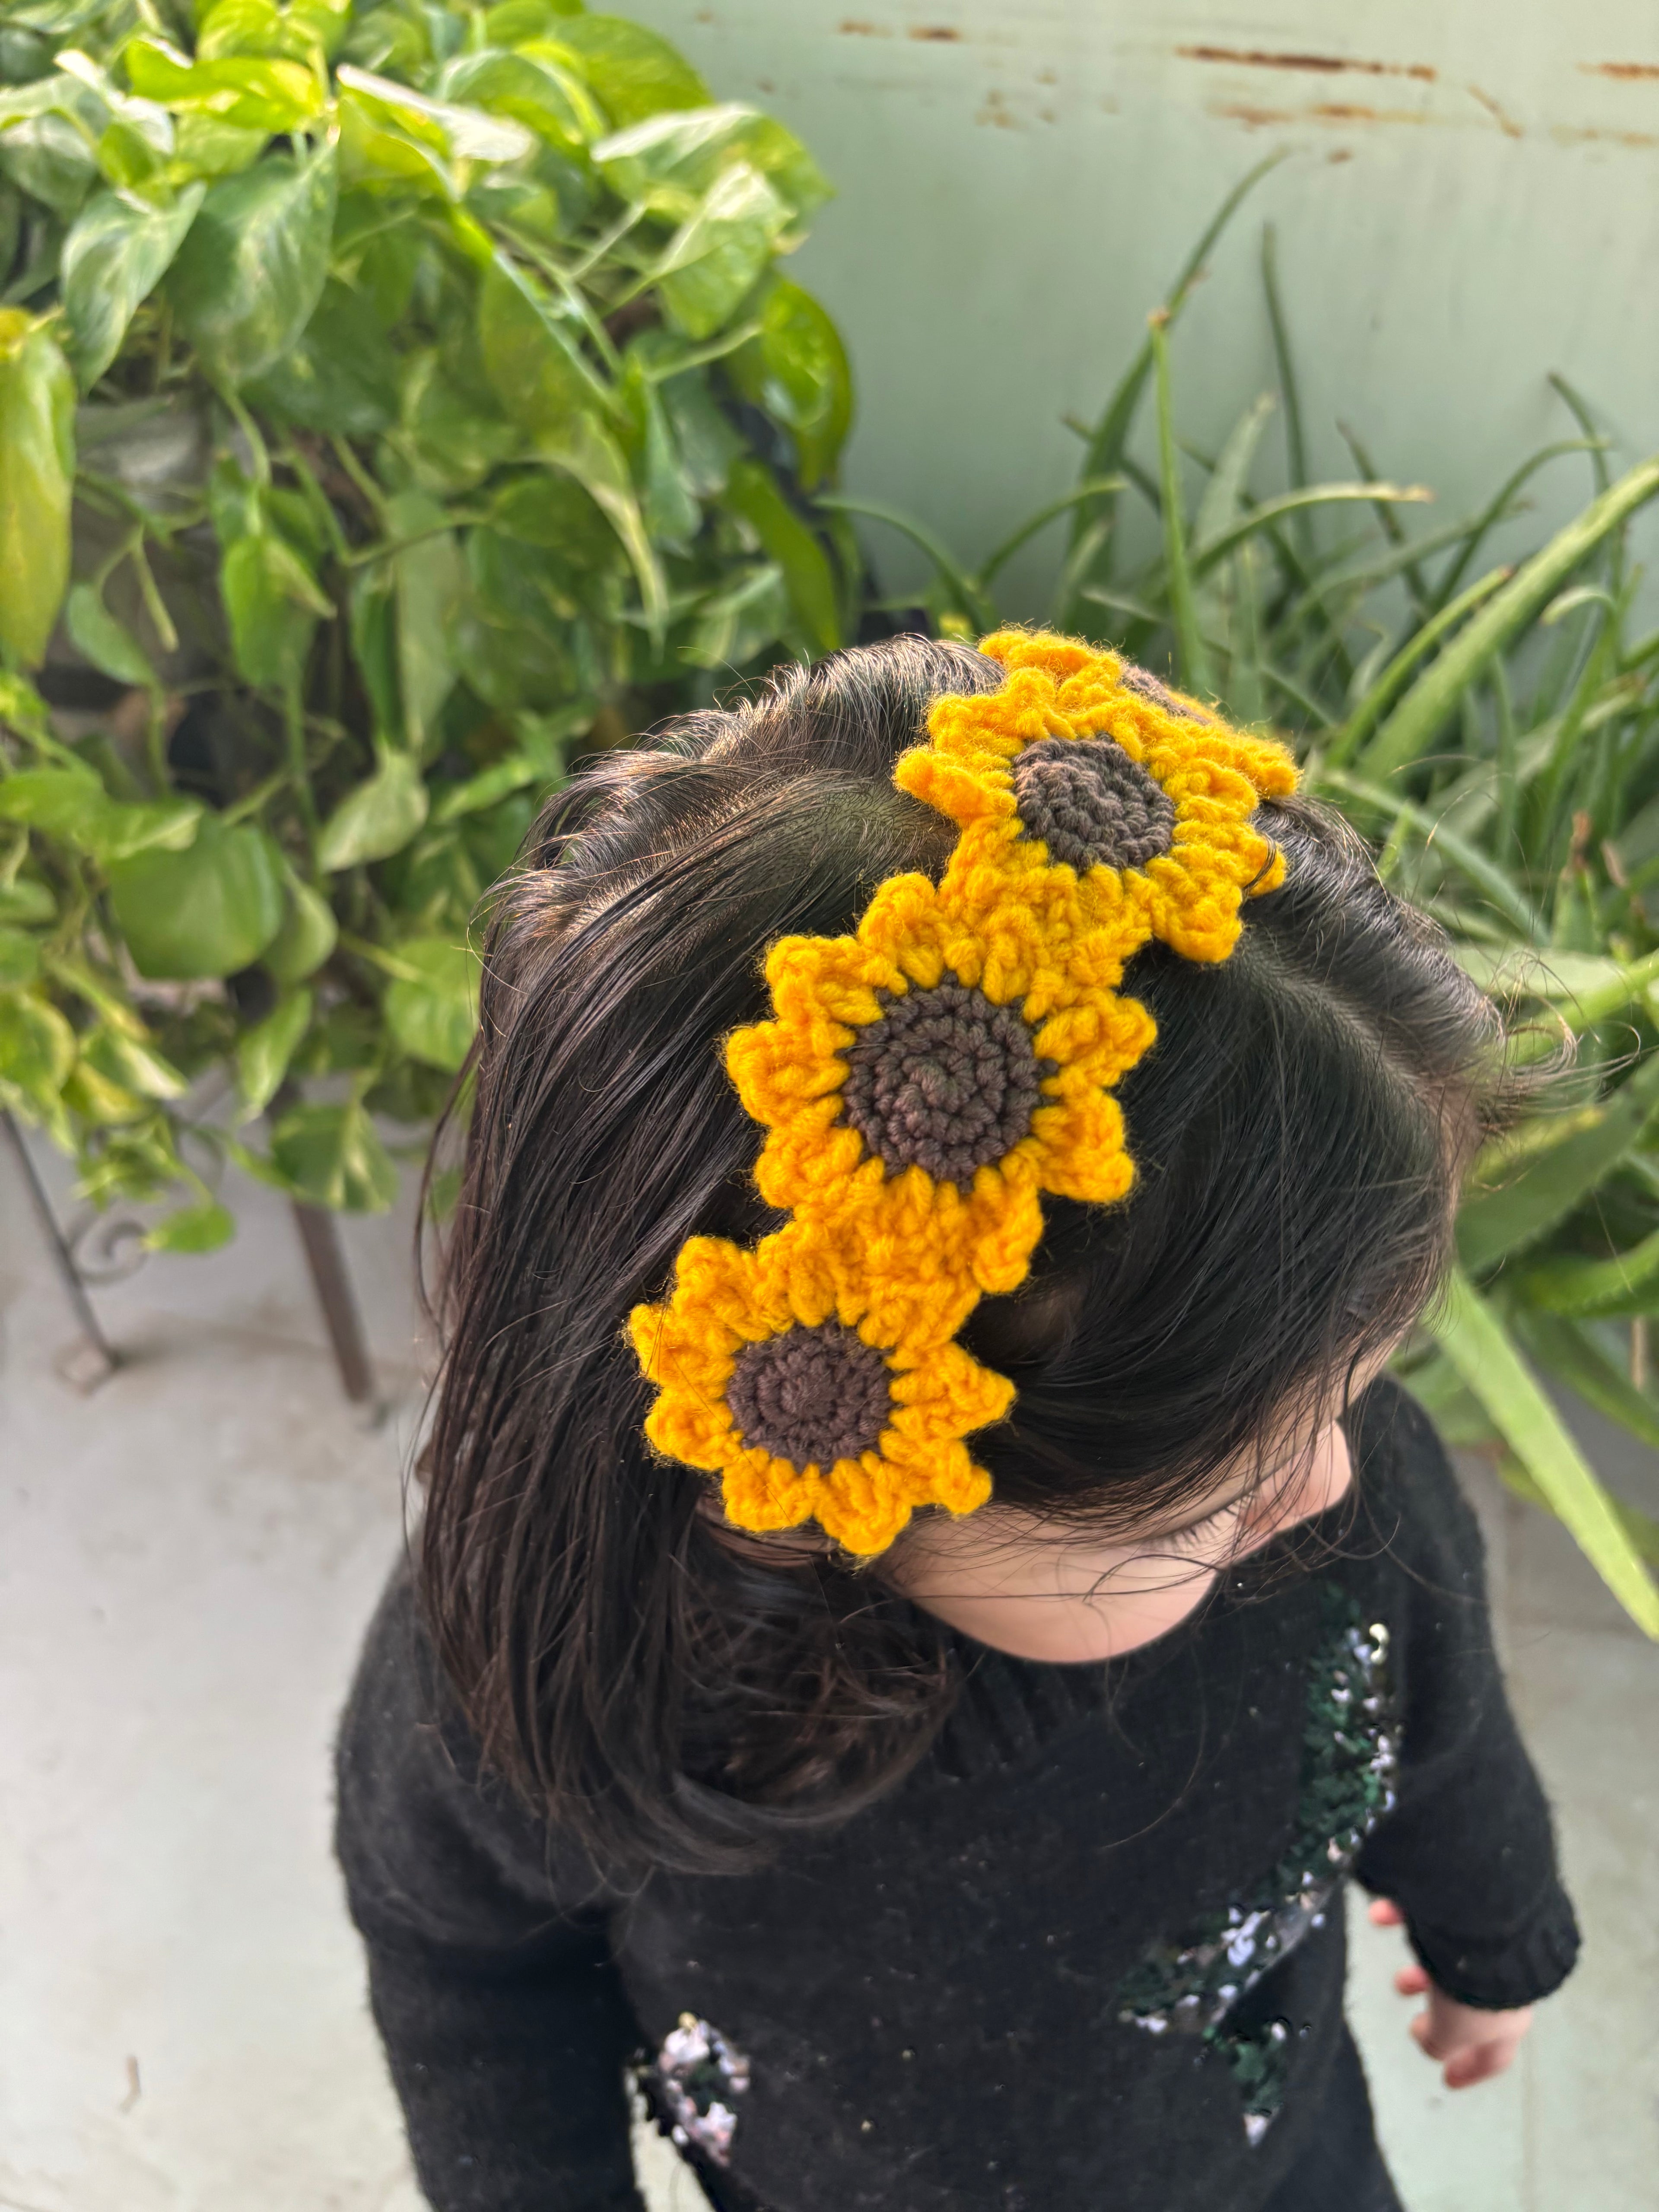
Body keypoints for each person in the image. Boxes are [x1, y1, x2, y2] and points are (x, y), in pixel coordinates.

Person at [335, 631, 1579, 2212]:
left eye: (1358, 1380)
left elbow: (1440, 1720)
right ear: (821, 1460)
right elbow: (462, 1964)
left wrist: (1492, 1939)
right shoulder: (554, 1665)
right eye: (1207, 1502)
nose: (1328, 1480)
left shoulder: (1328, 1489)